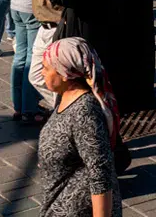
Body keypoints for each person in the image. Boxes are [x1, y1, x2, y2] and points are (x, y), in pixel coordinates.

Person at [37, 38, 122, 217]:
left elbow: (100, 173)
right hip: (58, 202)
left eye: (46, 67)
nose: (41, 72)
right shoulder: (64, 95)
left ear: (65, 73)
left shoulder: (85, 111)